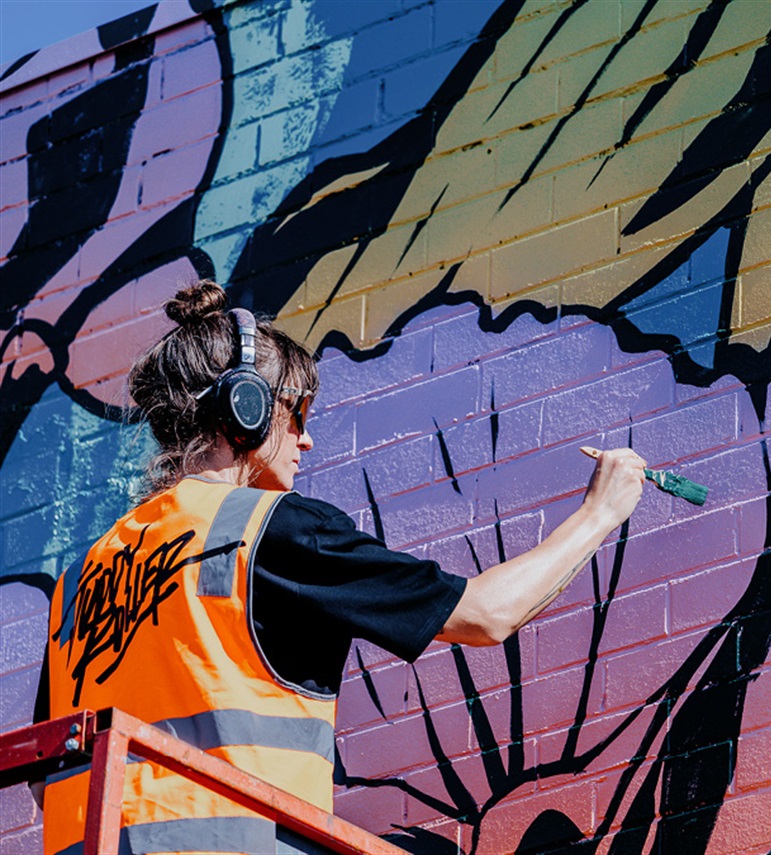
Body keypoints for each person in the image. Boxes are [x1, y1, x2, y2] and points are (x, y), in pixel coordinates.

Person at [34, 280, 646, 855]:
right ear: (245, 410)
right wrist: (598, 513)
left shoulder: (76, 584)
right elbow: (488, 614)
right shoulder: (270, 530)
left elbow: (45, 778)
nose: (305, 440)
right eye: (296, 413)